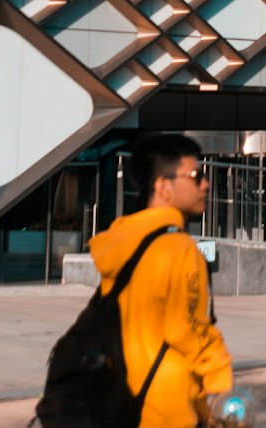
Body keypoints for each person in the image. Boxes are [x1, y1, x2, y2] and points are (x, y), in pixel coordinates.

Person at [89, 134, 232, 428]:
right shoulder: (179, 248)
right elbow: (187, 326)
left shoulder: (122, 243)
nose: (205, 184)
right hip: (169, 407)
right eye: (196, 175)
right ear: (163, 186)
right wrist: (220, 378)